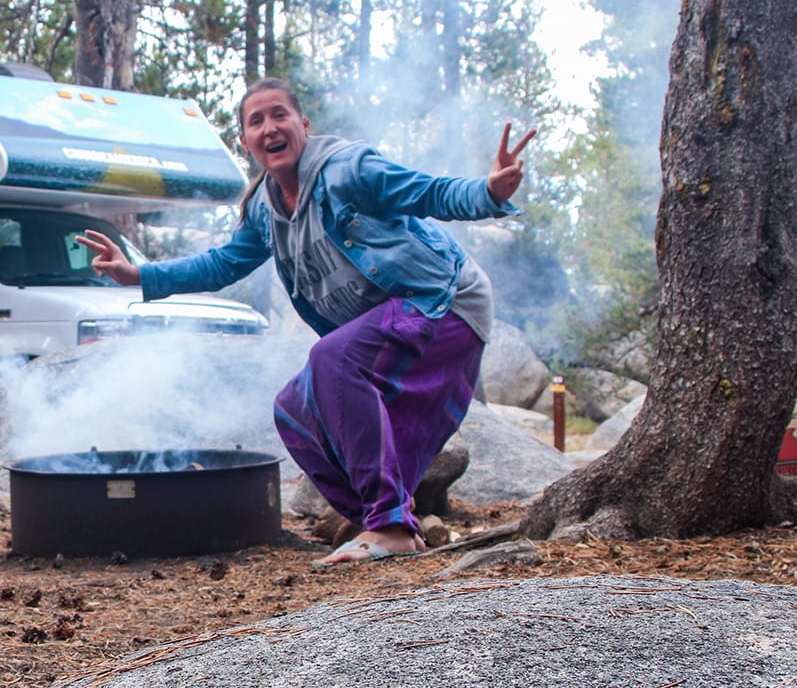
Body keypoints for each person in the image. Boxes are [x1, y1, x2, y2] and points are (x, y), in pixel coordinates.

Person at [77, 78, 533, 566]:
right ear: (245, 141)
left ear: (303, 124)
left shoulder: (347, 170)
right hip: (395, 319)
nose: (270, 128)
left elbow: (427, 192)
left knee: (331, 359)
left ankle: (391, 526)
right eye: (256, 121)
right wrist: (139, 275)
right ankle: (384, 518)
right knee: (293, 409)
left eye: (280, 115)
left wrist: (488, 191)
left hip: (443, 301)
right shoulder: (265, 208)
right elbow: (222, 264)